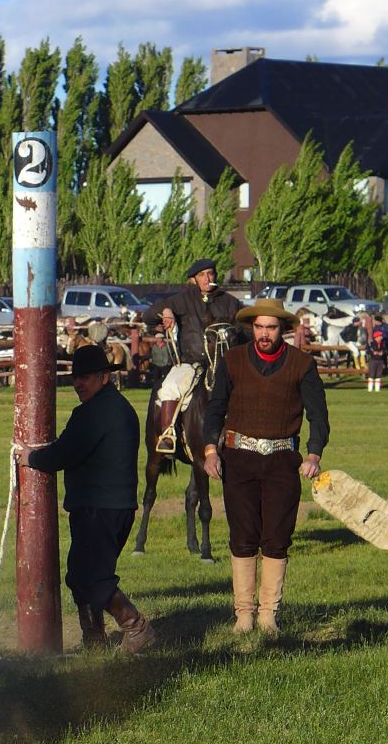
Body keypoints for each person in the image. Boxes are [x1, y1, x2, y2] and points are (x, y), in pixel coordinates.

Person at [202, 298, 330, 634]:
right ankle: (243, 615)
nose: (263, 333)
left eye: (270, 327)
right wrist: (210, 450)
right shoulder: (231, 361)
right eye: (258, 327)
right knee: (242, 536)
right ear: (251, 328)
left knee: (277, 537)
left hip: (283, 461)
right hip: (238, 458)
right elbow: (215, 409)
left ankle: (268, 615)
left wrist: (314, 453)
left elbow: (319, 416)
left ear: (282, 330)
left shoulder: (302, 364)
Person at [22, 345, 157, 654]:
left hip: (101, 507)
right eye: (76, 378)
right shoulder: (116, 407)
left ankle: (136, 627)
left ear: (103, 378)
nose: (79, 384)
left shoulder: (95, 413)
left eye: (86, 378)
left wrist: (31, 457)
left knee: (93, 577)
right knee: (79, 576)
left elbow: (64, 453)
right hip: (110, 506)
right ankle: (93, 639)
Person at [141, 259, 243, 453]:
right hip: (191, 363)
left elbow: (244, 327)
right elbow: (147, 316)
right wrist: (165, 310)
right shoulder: (180, 300)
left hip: (225, 364)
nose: (207, 278)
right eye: (202, 275)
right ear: (193, 279)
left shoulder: (230, 302)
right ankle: (168, 435)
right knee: (170, 387)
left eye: (210, 273)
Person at [365, 322, 388, 392]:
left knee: (378, 375)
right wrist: (373, 352)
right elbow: (367, 351)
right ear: (376, 337)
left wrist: (383, 353)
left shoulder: (383, 344)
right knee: (371, 375)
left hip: (380, 360)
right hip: (373, 360)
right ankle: (370, 389)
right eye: (380, 336)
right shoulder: (371, 344)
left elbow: (386, 351)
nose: (381, 337)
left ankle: (377, 389)